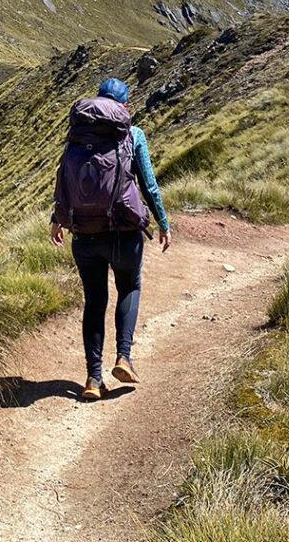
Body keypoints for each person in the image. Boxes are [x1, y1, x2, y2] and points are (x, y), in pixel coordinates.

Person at [50, 77, 171, 401]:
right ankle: (124, 357)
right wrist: (162, 221)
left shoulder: (76, 136)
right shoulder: (133, 135)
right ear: (124, 107)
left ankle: (92, 379)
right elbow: (148, 184)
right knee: (129, 286)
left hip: (84, 232)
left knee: (94, 301)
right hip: (124, 231)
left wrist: (57, 220)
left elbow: (64, 179)